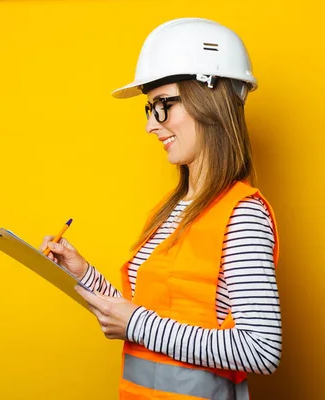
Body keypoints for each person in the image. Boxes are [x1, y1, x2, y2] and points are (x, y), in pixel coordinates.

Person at [39, 18, 281, 400]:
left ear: (210, 100)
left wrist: (136, 323)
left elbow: (261, 350)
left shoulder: (242, 214)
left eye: (163, 106)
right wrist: (83, 273)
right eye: (149, 109)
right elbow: (142, 313)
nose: (152, 125)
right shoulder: (172, 209)